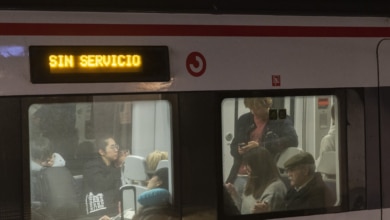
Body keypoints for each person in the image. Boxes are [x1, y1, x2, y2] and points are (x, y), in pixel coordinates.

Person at [226, 97, 298, 195]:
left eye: (257, 108)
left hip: (265, 174)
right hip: (242, 173)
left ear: (267, 105)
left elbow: (292, 140)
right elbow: (234, 146)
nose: (253, 112)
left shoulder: (279, 116)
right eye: (251, 108)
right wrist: (239, 150)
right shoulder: (244, 119)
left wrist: (261, 146)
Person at [225, 147, 287, 214]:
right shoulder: (252, 181)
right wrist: (234, 194)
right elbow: (243, 209)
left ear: (258, 166)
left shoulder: (275, 189)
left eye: (248, 165)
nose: (245, 168)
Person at [82, 135, 121, 218]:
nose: (116, 150)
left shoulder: (112, 167)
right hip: (97, 213)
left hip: (113, 211)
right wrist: (118, 168)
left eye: (117, 146)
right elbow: (101, 185)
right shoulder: (91, 167)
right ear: (102, 152)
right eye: (112, 147)